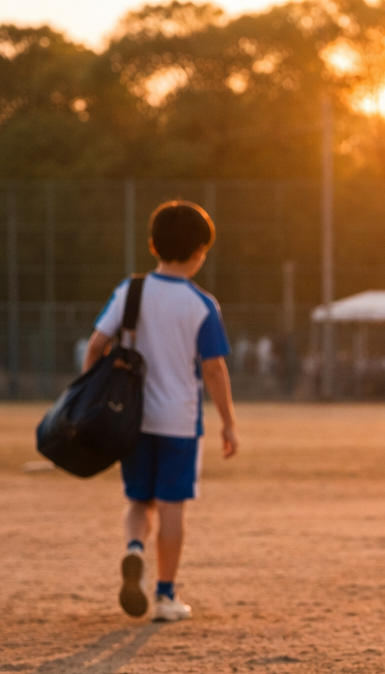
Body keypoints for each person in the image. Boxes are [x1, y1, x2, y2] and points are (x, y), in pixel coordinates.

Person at [82, 200, 239, 622]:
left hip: (131, 418)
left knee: (138, 500)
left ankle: (134, 548)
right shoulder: (202, 305)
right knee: (172, 508)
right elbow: (213, 368)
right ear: (200, 252)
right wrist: (228, 423)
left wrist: (92, 396)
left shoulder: (129, 291)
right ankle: (166, 596)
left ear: (152, 244)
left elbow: (96, 346)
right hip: (179, 421)